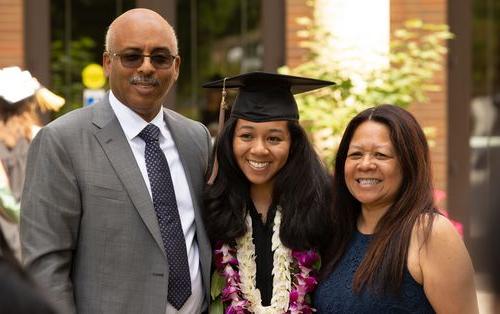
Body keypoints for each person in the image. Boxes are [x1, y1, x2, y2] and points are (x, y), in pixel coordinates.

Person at [20, 8, 212, 314]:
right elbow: (45, 268)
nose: (147, 67)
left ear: (175, 67)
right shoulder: (62, 141)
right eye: (132, 56)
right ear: (108, 63)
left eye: (160, 58)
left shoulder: (196, 139)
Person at [314, 104, 479, 313]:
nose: (365, 164)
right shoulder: (337, 232)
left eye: (381, 155)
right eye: (355, 154)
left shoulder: (430, 233)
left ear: (408, 163)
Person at [202, 72, 334, 313]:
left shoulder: (323, 205)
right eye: (246, 136)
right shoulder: (213, 204)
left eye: (274, 138)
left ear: (292, 143)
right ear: (231, 139)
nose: (259, 149)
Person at [0, 66, 64, 259]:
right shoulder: (40, 135)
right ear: (29, 105)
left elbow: (5, 199)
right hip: (36, 236)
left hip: (10, 237)